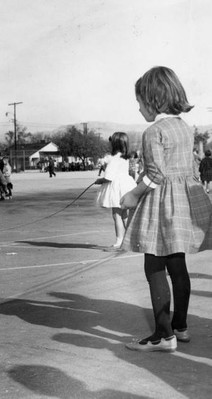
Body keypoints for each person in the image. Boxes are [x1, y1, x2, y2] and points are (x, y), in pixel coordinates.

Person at [120, 66, 212, 353]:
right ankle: (181, 326)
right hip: (184, 204)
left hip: (162, 205)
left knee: (154, 265)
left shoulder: (153, 131)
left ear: (153, 100)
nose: (139, 109)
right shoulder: (185, 128)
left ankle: (163, 335)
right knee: (178, 265)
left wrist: (133, 194)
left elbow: (155, 175)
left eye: (140, 103)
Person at [94, 132, 137, 251]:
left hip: (116, 188)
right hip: (127, 186)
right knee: (125, 215)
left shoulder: (113, 159)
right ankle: (131, 238)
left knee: (116, 214)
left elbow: (109, 177)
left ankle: (119, 241)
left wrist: (100, 180)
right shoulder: (125, 157)